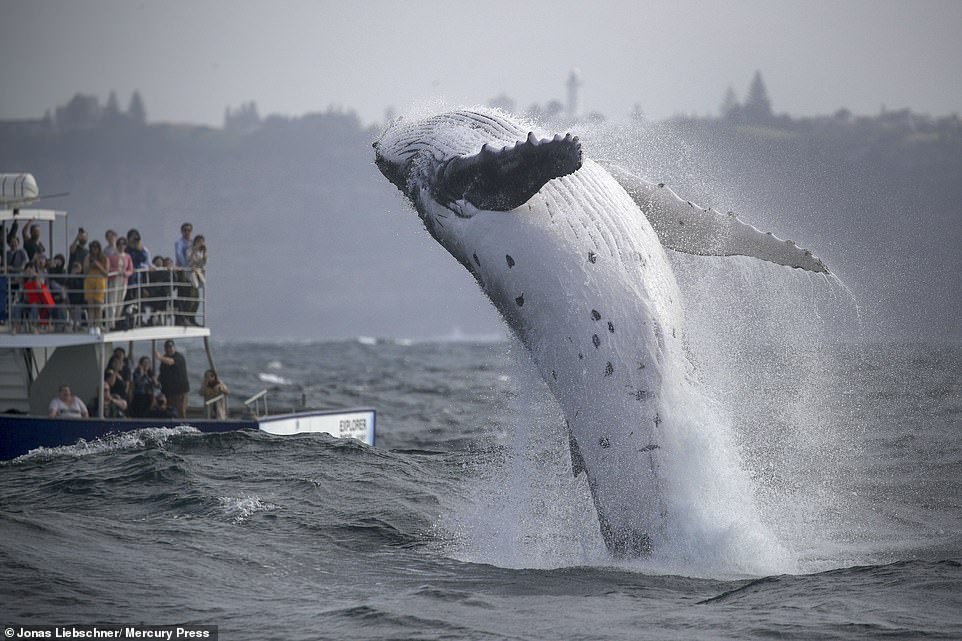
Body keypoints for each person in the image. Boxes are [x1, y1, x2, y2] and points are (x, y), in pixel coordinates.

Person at [156, 339, 189, 419]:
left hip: (179, 392)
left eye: (171, 347)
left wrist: (160, 357)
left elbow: (171, 362)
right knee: (170, 412)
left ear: (174, 347)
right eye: (167, 347)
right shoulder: (164, 359)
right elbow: (162, 373)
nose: (169, 349)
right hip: (168, 392)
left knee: (180, 412)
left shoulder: (179, 357)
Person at [83, 240, 109, 328]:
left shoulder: (104, 258)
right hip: (89, 282)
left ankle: (98, 325)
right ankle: (91, 326)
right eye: (92, 248)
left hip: (100, 282)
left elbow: (106, 273)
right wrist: (90, 264)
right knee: (91, 306)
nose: (94, 250)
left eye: (96, 248)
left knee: (98, 306)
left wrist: (97, 264)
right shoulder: (87, 257)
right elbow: (85, 272)